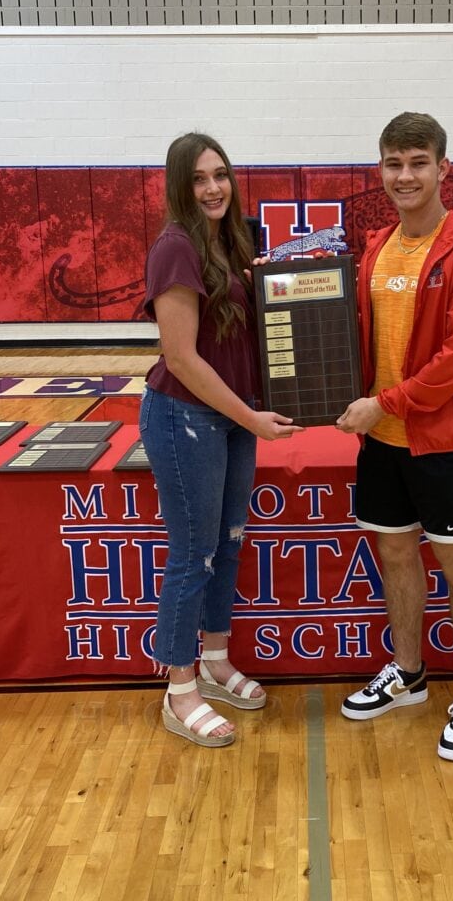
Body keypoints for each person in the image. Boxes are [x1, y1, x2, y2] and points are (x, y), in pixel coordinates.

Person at [336, 112, 453, 761]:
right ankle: (407, 673)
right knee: (397, 557)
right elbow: (352, 336)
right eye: (392, 164)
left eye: (417, 163)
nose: (404, 176)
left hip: (441, 442)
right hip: (382, 443)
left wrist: (384, 402)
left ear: (443, 169)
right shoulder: (377, 248)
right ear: (379, 170)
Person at [140, 132, 303, 748]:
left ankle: (212, 659)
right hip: (186, 418)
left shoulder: (232, 241)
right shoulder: (175, 248)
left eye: (220, 175)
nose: (213, 188)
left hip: (232, 417)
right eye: (199, 178)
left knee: (228, 544)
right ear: (180, 187)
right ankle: (179, 689)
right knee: (193, 554)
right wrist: (252, 417)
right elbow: (180, 358)